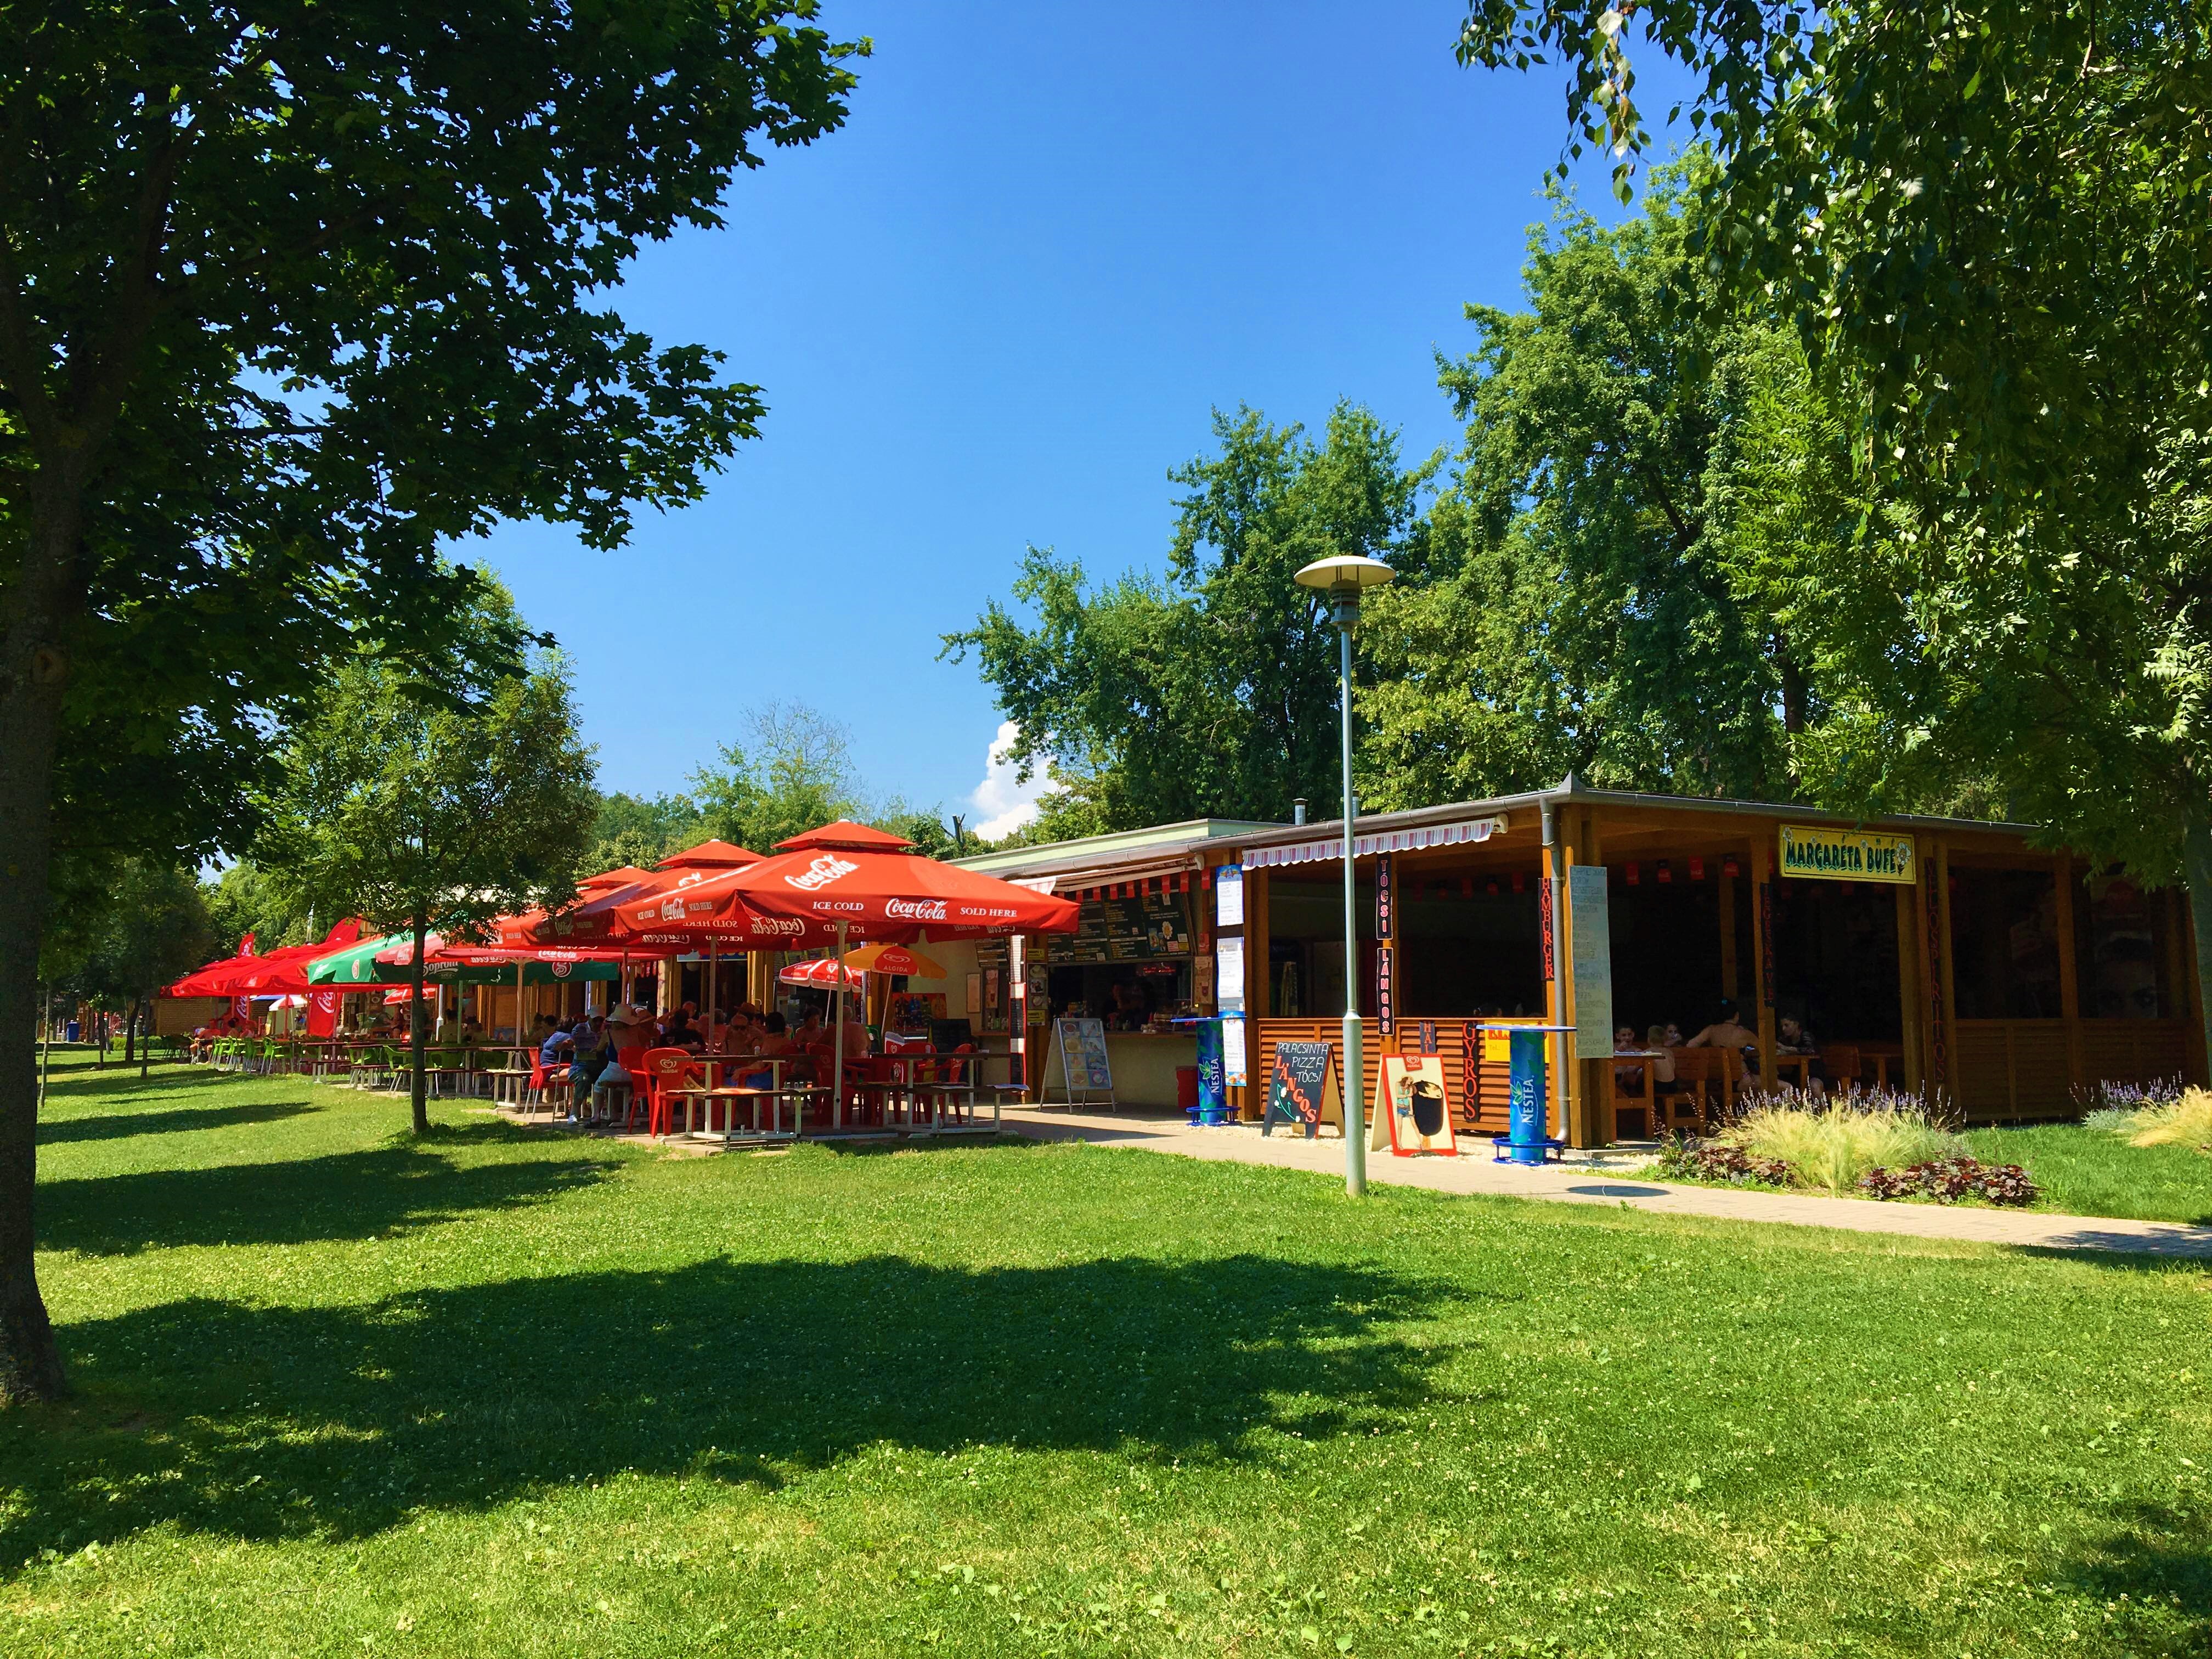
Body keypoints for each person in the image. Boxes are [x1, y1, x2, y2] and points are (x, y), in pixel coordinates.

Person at [1684, 1000, 1760, 1077]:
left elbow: (1691, 1045)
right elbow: (1763, 1050)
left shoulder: (1711, 1030)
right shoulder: (1744, 1033)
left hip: (1716, 1077)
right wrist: (1747, 1053)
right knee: (1763, 1081)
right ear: (1737, 1015)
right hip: (1740, 1077)